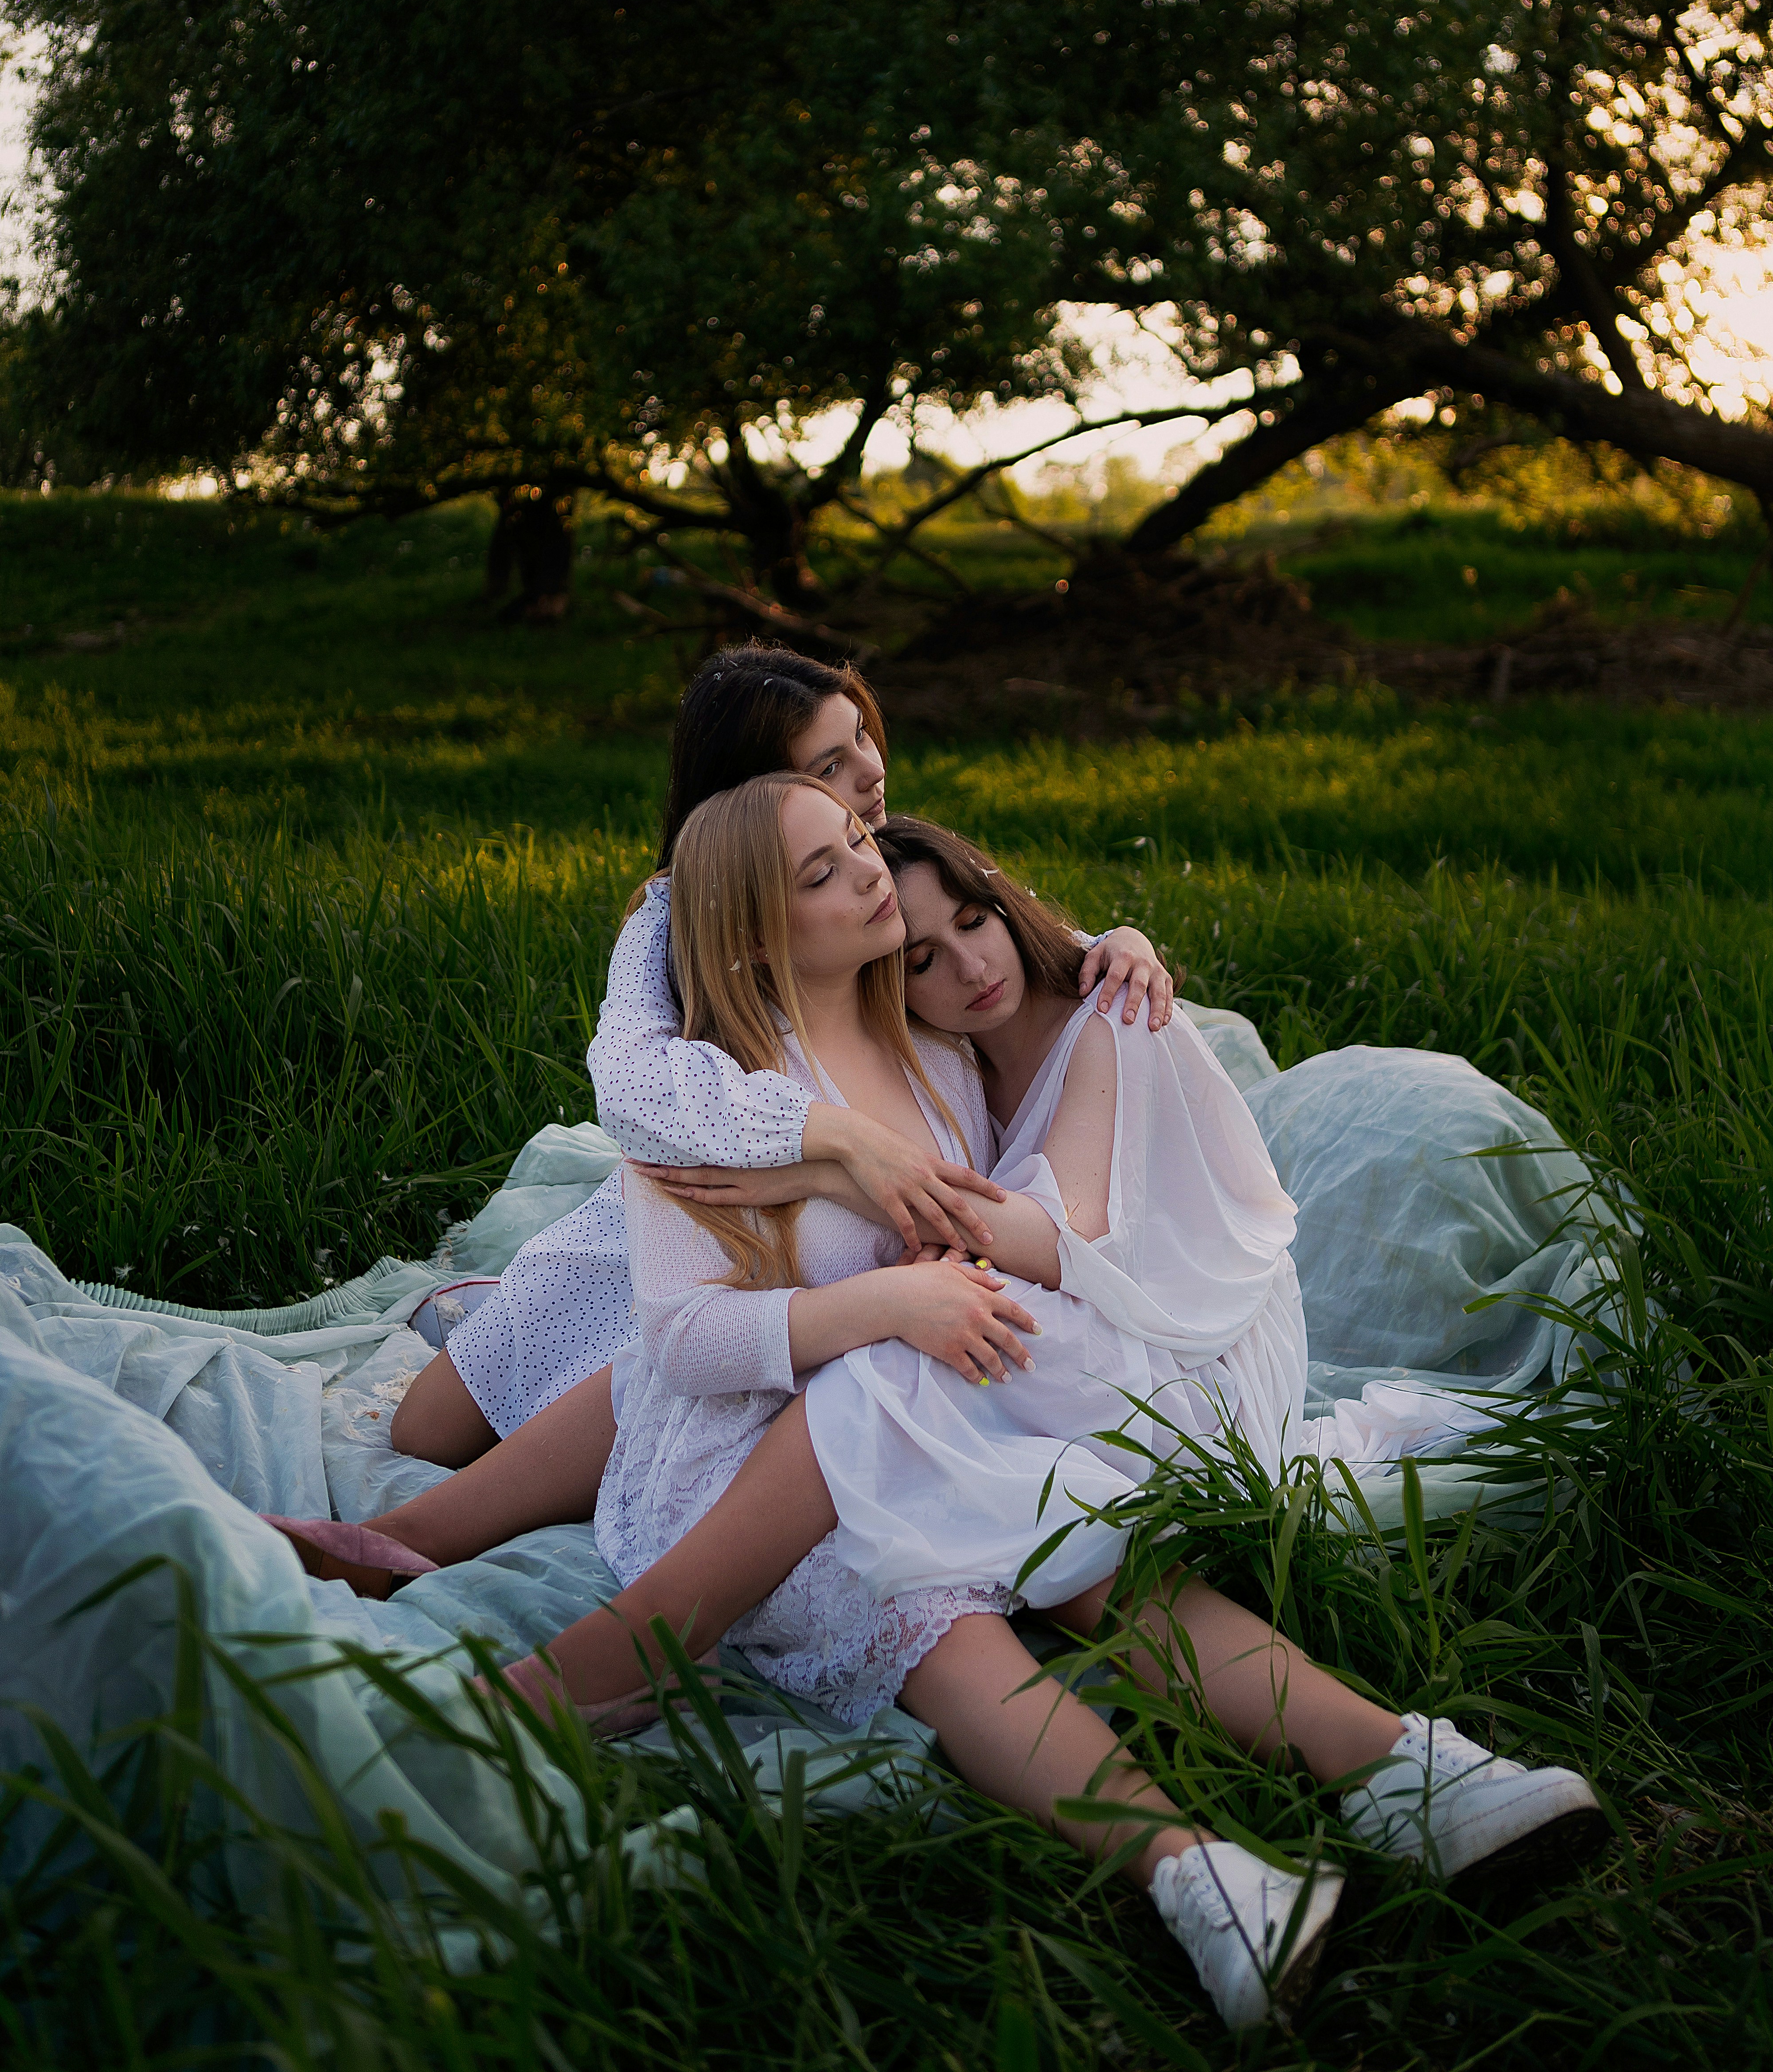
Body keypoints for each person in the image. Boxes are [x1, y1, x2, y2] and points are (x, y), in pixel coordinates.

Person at [276, 777, 1606, 2031]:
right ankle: (1210, 1866)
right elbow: (679, 1343)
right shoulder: (721, 1101)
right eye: (830, 867)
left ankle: (1406, 1778)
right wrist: (883, 1297)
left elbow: (992, 963)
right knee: (934, 1574)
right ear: (757, 926)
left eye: (863, 846)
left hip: (925, 1415)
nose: (868, 867)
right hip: (753, 1463)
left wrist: (1111, 948)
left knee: (1074, 1543)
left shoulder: (937, 1058)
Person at [387, 642, 1172, 1470]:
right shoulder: (673, 916)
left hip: (823, 1251)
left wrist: (1109, 943)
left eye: (864, 735)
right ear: (754, 793)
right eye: (832, 762)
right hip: (694, 1206)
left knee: (678, 1416)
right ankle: (484, 1328)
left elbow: (978, 926)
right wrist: (835, 1137)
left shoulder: (866, 854)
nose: (870, 771)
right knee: (427, 1435)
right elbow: (629, 1083)